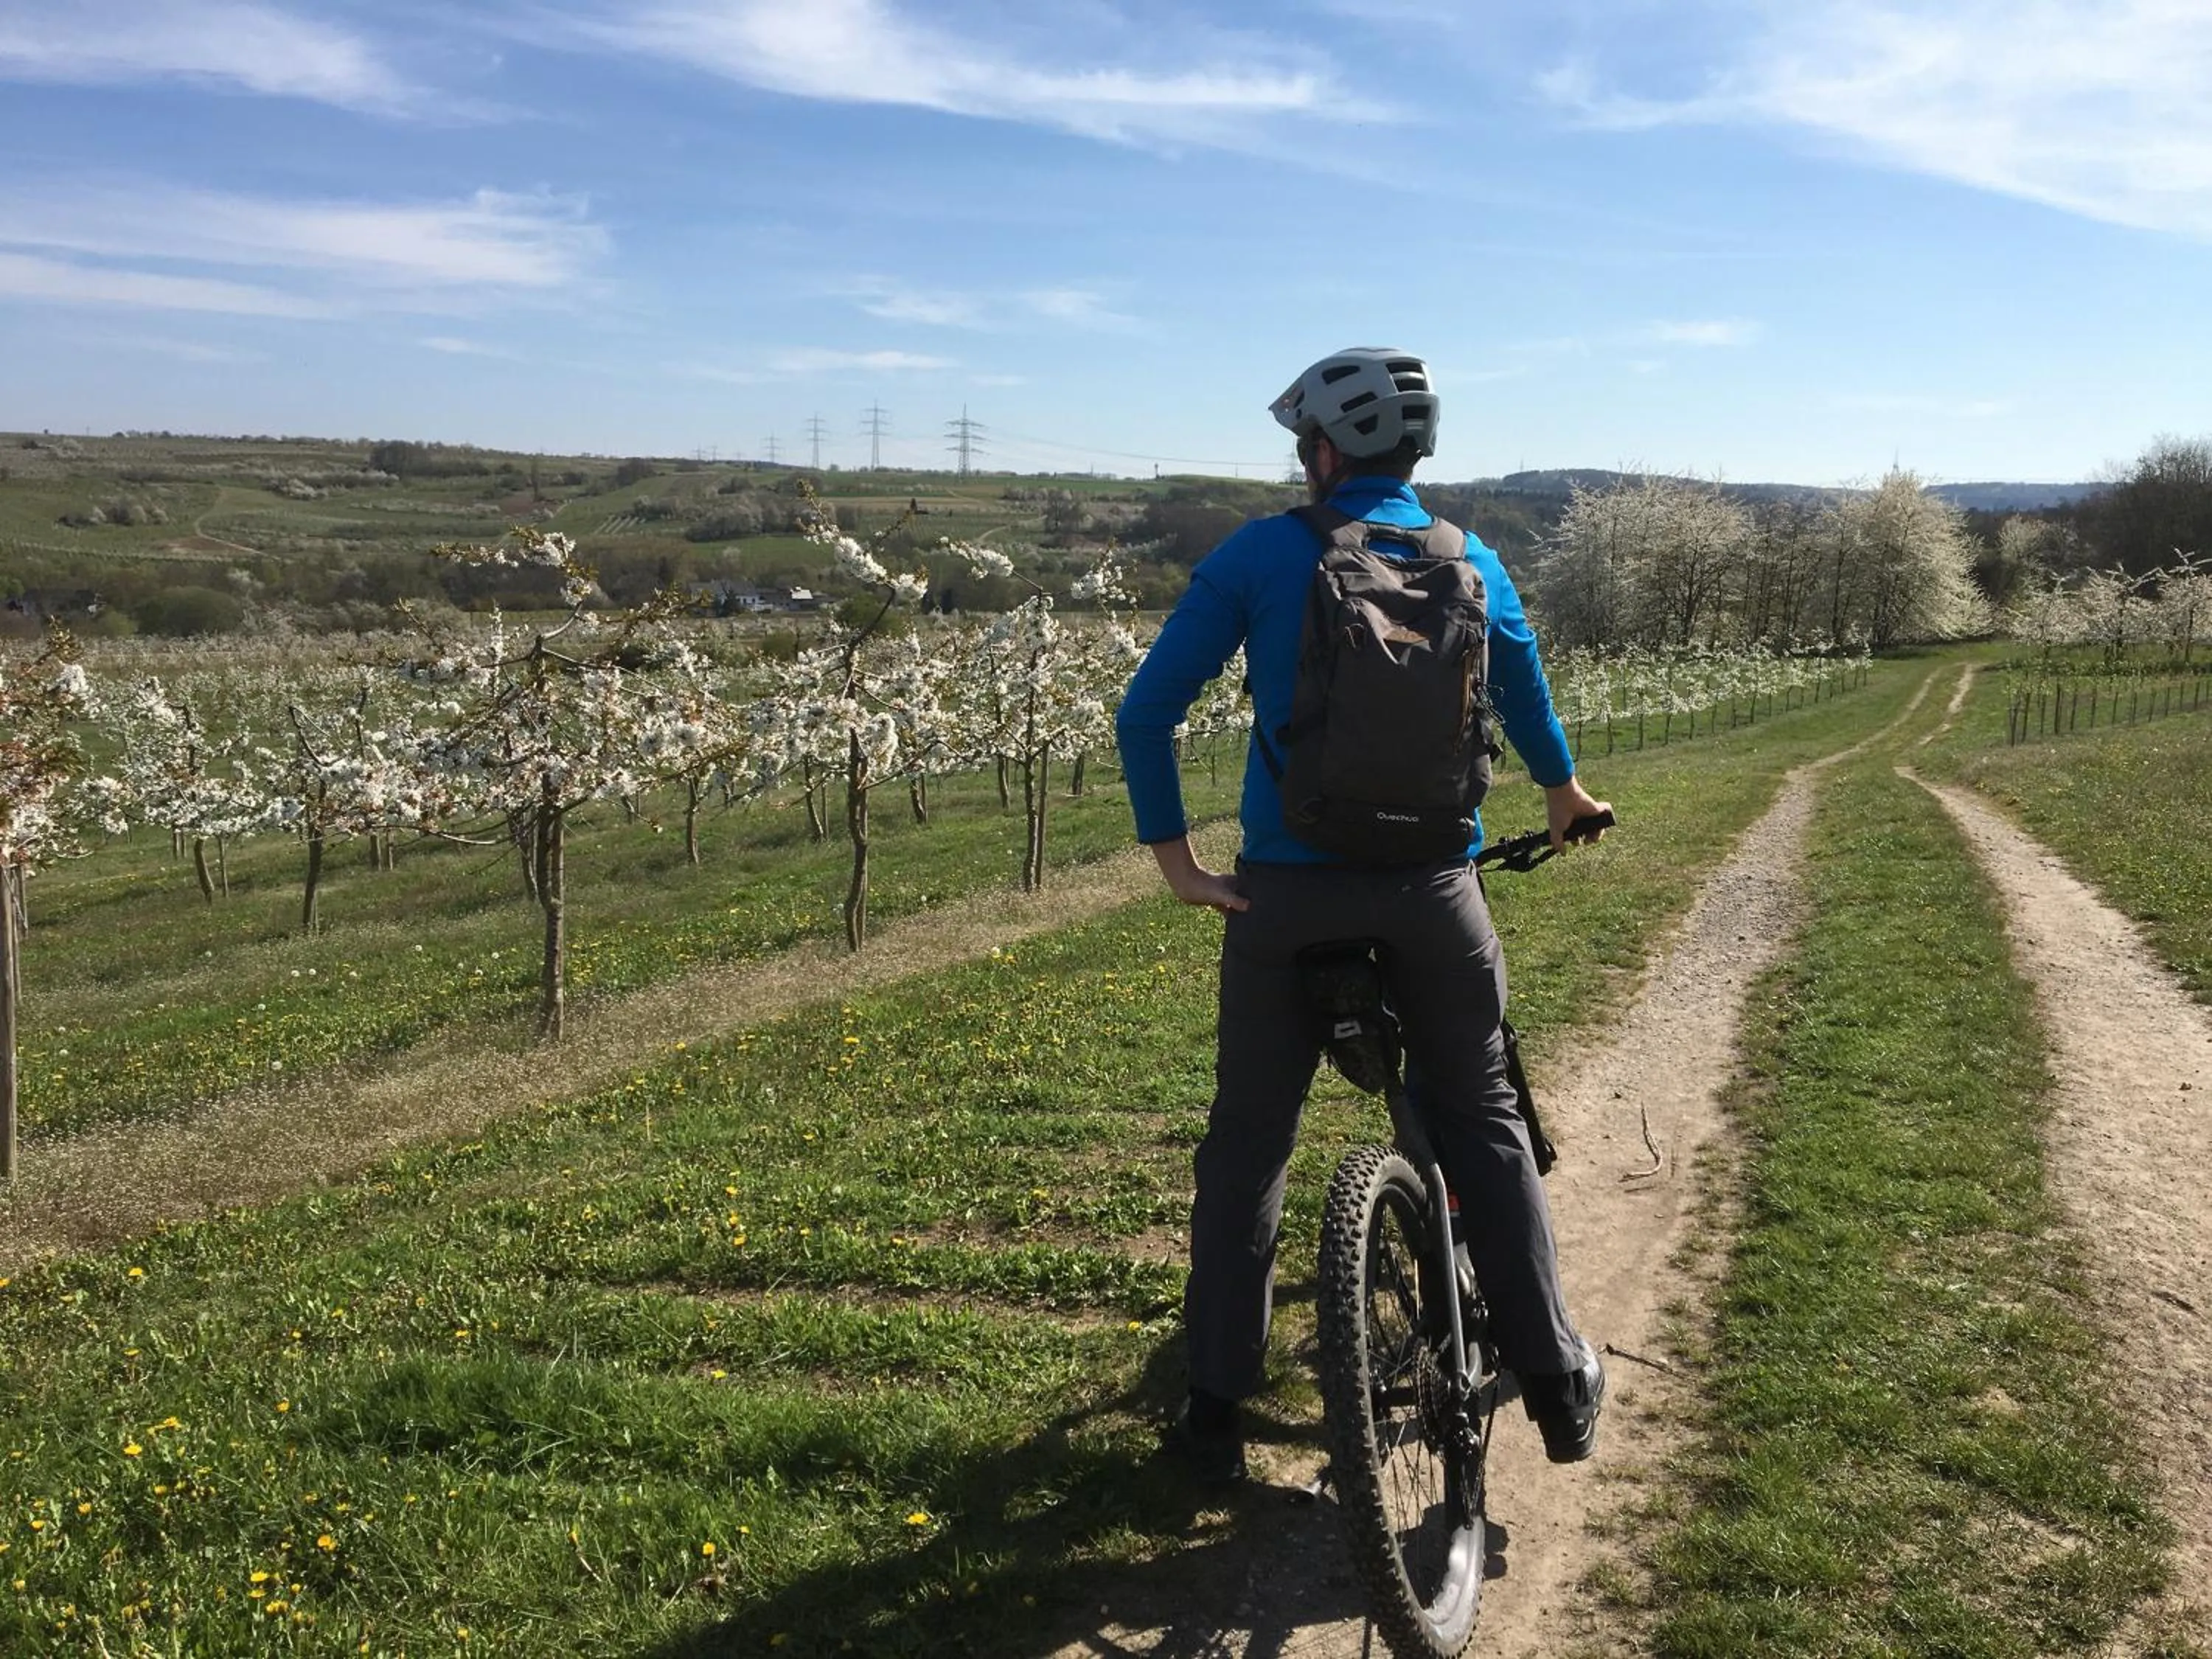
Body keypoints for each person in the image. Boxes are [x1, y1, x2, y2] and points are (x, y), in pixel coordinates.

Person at [1113, 347, 1610, 1485]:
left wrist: (1181, 866)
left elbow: (1147, 716)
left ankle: (1211, 1416)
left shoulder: (1259, 555)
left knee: (1249, 1141)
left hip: (1283, 895)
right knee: (1481, 1114)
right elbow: (1523, 690)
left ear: (1322, 451)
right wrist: (1564, 790)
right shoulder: (1474, 560)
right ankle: (1555, 1380)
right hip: (1436, 892)